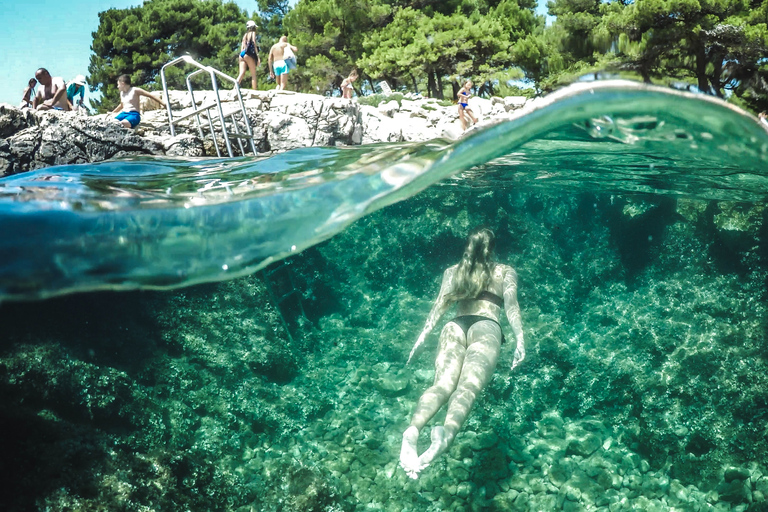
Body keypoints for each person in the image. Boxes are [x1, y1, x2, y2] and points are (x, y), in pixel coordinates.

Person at [399, 227, 525, 479]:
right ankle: (445, 434)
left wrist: (421, 339)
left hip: (454, 326)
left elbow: (438, 308)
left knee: (441, 386)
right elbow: (512, 307)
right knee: (466, 388)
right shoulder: (504, 271)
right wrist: (520, 339)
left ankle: (412, 430)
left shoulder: (452, 271)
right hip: (486, 326)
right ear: (493, 248)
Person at [236, 20, 261, 90]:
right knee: (253, 74)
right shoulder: (253, 33)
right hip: (248, 54)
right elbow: (253, 42)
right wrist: (257, 56)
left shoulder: (245, 35)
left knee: (242, 73)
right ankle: (254, 90)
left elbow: (243, 46)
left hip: (242, 54)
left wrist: (242, 54)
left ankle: (235, 87)